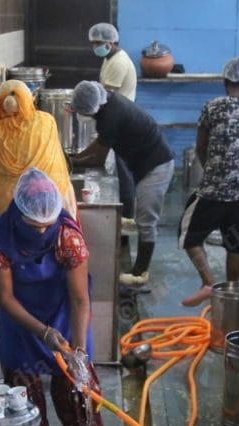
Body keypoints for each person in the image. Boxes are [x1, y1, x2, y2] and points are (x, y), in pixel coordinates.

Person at [0, 168, 105, 426]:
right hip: (21, 319)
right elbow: (5, 297)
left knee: (78, 387)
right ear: (18, 213)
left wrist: (77, 351)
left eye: (46, 225)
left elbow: (79, 298)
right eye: (33, 224)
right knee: (22, 394)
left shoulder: (68, 237)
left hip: (64, 314)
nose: (40, 231)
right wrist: (43, 332)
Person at [178, 57, 239, 307]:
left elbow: (200, 147)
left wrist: (213, 168)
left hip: (212, 191)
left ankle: (208, 283)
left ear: (225, 81)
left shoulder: (214, 107)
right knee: (234, 245)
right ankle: (230, 296)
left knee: (189, 236)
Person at [69, 81, 174, 286]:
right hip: (146, 163)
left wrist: (72, 162)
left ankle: (139, 274)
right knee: (144, 217)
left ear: (89, 108)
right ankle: (138, 242)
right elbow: (100, 143)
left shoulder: (110, 116)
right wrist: (76, 157)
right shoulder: (109, 102)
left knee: (147, 222)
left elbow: (98, 158)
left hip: (156, 167)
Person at [0, 79, 77, 218]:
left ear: (0, 104)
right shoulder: (46, 121)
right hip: (52, 205)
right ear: (27, 99)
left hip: (13, 212)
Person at [88, 22, 138, 232]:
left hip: (122, 123)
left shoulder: (119, 62)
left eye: (98, 43)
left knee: (124, 171)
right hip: (117, 118)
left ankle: (128, 217)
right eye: (93, 43)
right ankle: (126, 214)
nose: (95, 47)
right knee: (120, 170)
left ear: (110, 41)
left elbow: (106, 95)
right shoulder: (109, 58)